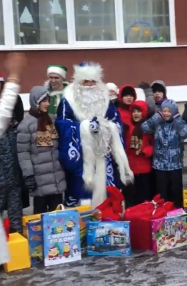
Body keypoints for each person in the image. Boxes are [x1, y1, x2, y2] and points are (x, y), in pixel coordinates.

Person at [55, 62, 133, 208]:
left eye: (93, 82)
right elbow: (62, 123)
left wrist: (107, 127)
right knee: (82, 193)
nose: (90, 85)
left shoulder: (104, 98)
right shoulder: (69, 100)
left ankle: (109, 223)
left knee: (107, 191)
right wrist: (85, 128)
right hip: (82, 158)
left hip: (104, 154)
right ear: (79, 82)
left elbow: (116, 120)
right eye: (86, 82)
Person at [17, 86, 66, 214]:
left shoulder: (52, 120)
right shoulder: (26, 125)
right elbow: (23, 153)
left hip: (56, 179)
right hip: (39, 181)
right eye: (44, 101)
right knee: (40, 219)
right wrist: (28, 175)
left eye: (48, 100)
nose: (47, 104)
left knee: (59, 219)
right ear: (35, 101)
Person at [0, 53, 27, 266]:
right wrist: (14, 76)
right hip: (0, 183)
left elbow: (11, 105)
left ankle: (18, 248)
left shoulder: (14, 130)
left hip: (13, 181)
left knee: (16, 217)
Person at [142, 99, 187, 208]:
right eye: (164, 111)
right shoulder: (157, 123)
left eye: (169, 111)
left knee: (176, 192)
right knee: (162, 193)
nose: (166, 113)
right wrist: (155, 118)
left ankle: (178, 214)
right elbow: (143, 128)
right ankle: (162, 216)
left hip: (175, 165)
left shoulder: (178, 123)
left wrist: (178, 119)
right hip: (159, 165)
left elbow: (185, 134)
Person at [123, 100, 154, 207]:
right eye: (134, 111)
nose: (136, 114)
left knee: (144, 196)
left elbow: (153, 145)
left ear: (143, 113)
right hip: (131, 168)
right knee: (131, 196)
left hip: (145, 167)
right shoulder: (127, 128)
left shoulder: (147, 128)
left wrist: (145, 151)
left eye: (138, 111)